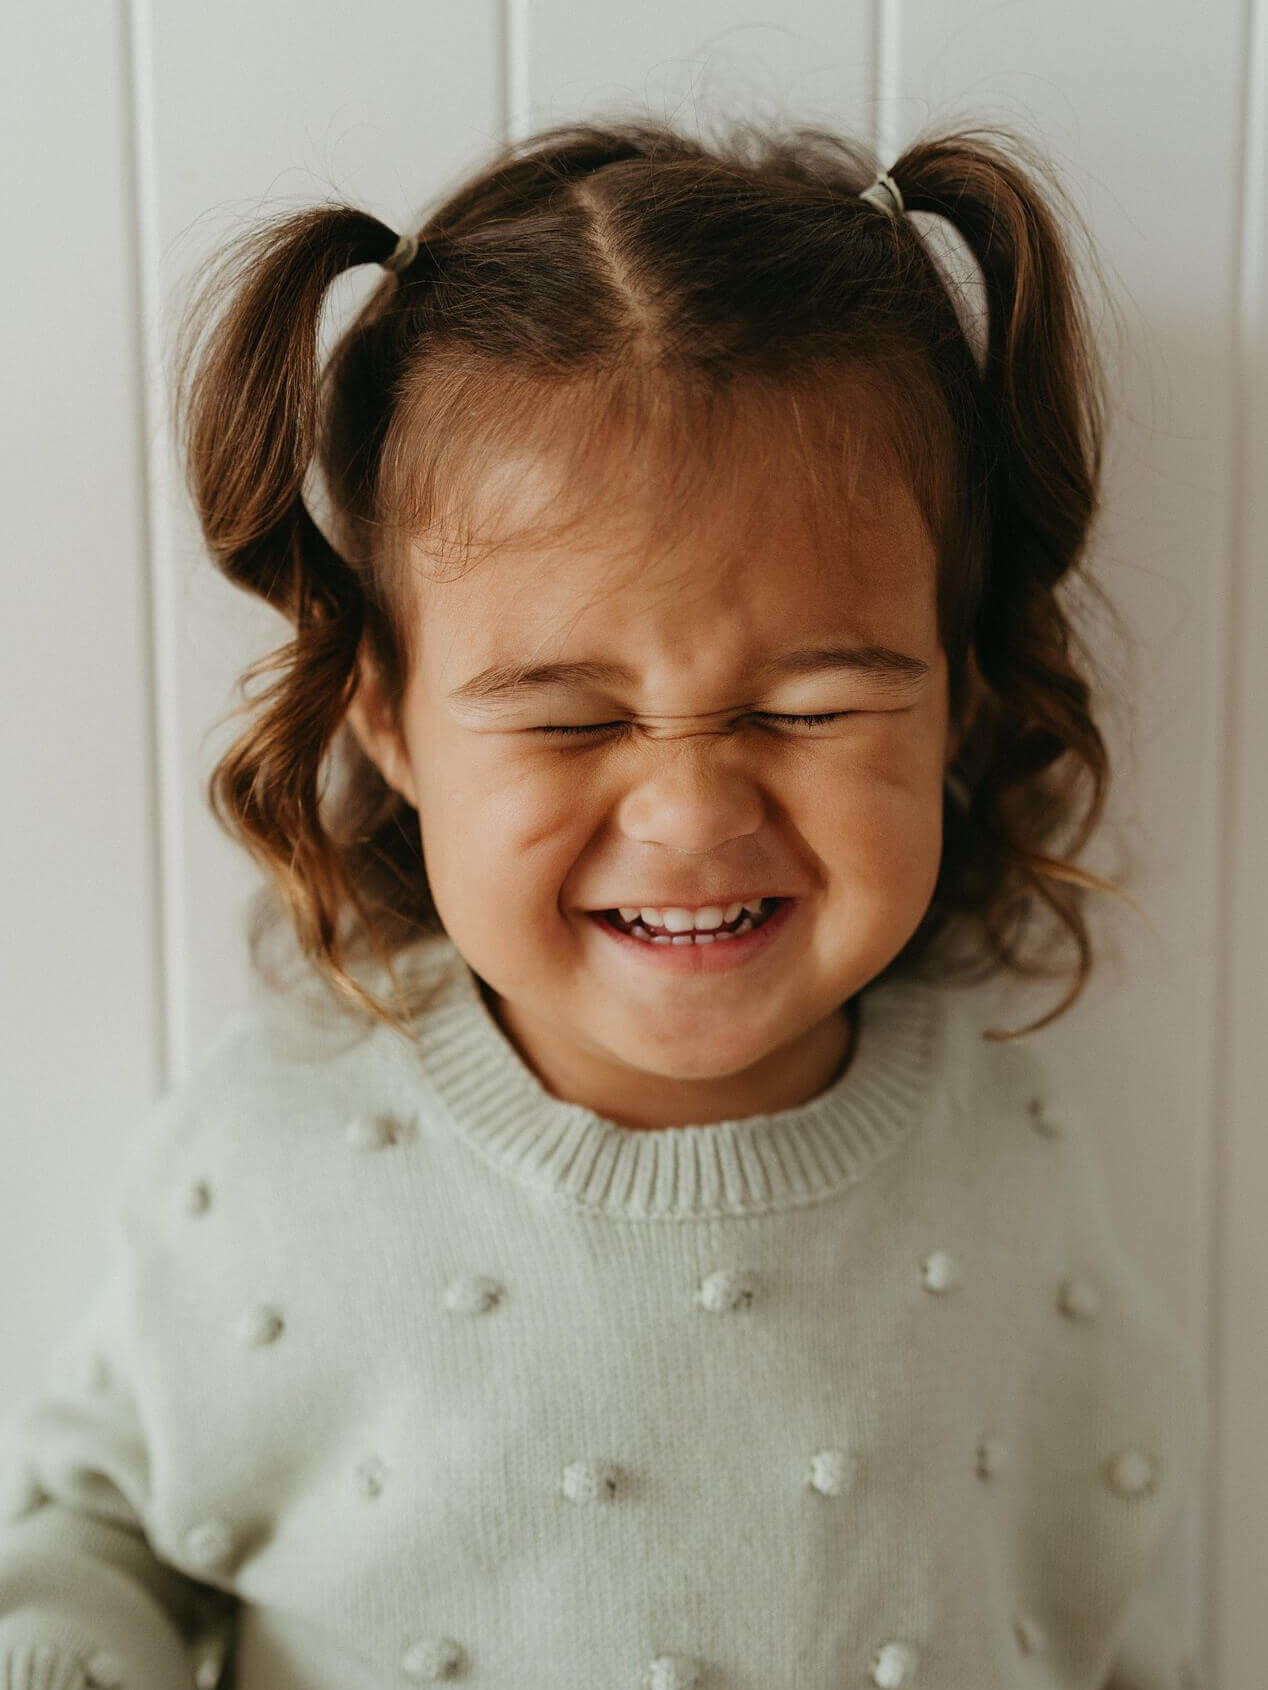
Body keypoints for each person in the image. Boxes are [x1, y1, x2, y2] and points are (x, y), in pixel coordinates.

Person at [0, 114, 1207, 1690]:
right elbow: (88, 1526)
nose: (695, 809)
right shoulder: (272, 1154)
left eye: (811, 709)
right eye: (569, 718)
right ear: (387, 719)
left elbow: (1097, 1607)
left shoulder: (1004, 1157)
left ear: (955, 703)